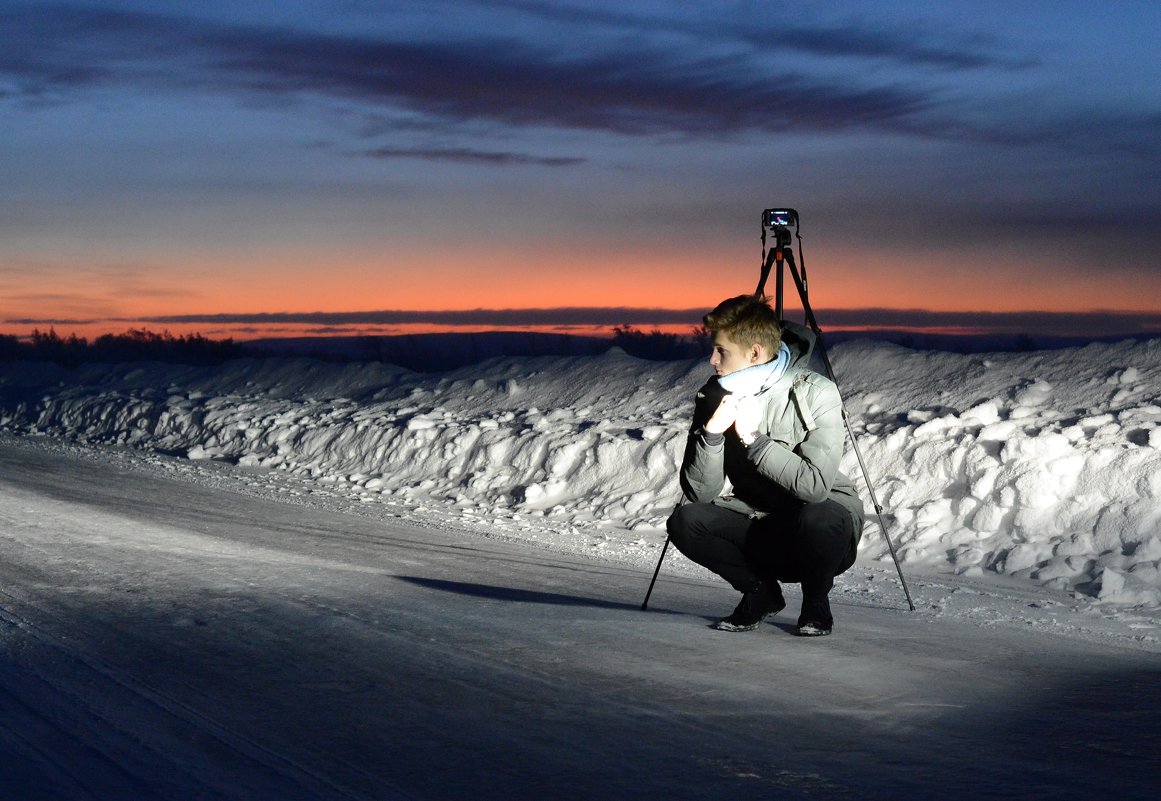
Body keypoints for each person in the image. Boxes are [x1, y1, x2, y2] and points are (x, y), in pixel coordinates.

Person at [667, 294, 864, 636]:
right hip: (761, 521)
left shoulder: (817, 392)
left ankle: (816, 601)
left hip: (820, 527)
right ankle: (761, 593)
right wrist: (712, 435)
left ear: (755, 352)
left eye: (721, 351)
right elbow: (700, 492)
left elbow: (815, 487)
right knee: (686, 521)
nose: (712, 359)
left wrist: (755, 442)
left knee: (819, 516)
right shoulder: (714, 395)